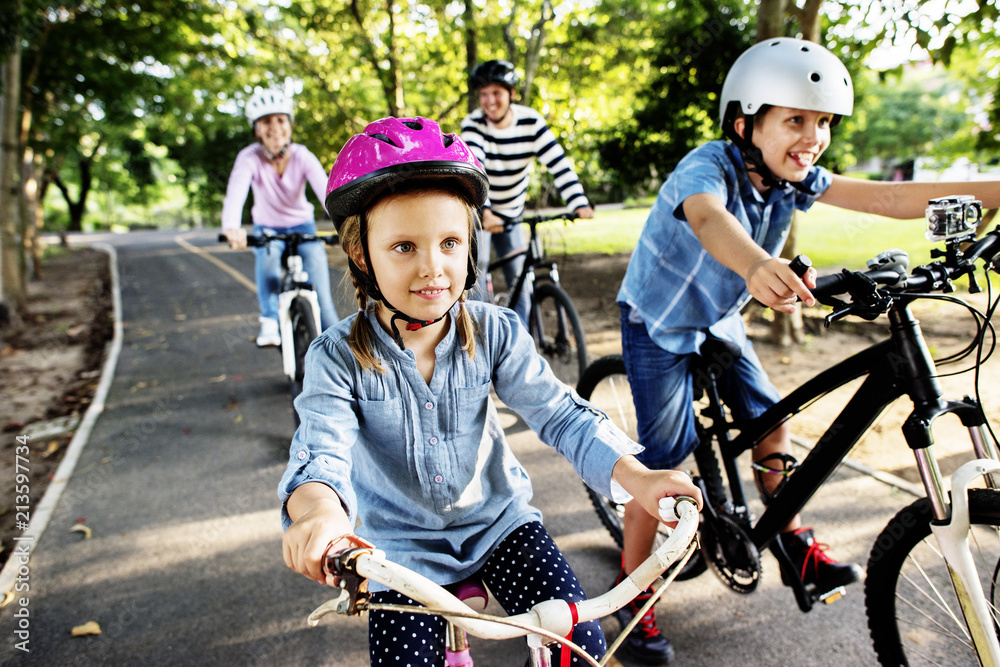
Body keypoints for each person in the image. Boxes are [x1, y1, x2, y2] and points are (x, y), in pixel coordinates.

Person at [614, 37, 1000, 666]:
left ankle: (789, 536)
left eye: (822, 121)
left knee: (774, 423)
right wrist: (759, 264)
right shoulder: (706, 165)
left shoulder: (797, 177)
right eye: (795, 119)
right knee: (661, 463)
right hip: (658, 322)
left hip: (718, 319)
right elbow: (711, 220)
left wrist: (997, 189)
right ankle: (633, 590)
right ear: (745, 124)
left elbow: (887, 198)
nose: (814, 135)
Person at [277, 116, 703, 665]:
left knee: (579, 646)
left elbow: (562, 416)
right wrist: (318, 516)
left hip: (499, 525)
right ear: (362, 255)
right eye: (404, 246)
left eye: (450, 242)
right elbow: (320, 453)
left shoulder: (496, 332)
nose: (434, 268)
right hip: (396, 551)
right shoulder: (336, 356)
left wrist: (637, 478)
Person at [461, 60, 596, 326]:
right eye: (484, 94)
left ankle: (519, 344)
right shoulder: (474, 123)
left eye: (496, 93)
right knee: (474, 278)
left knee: (521, 281)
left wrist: (579, 202)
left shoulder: (530, 121)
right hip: (479, 212)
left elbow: (558, 163)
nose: (489, 101)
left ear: (511, 94)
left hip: (512, 213)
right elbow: (475, 168)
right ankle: (473, 342)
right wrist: (484, 211)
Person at [221, 87, 338, 346]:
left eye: (280, 120)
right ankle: (270, 320)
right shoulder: (249, 158)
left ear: (290, 125)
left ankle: (336, 350)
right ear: (256, 129)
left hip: (302, 227)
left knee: (322, 296)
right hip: (268, 229)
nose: (274, 127)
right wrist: (232, 227)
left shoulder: (302, 156)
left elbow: (327, 193)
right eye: (265, 121)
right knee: (269, 257)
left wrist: (346, 223)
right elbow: (236, 194)